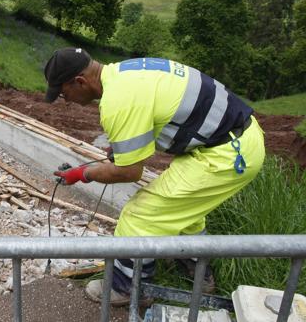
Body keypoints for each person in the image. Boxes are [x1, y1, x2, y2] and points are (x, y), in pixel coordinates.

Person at [43, 47, 265, 306]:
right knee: (182, 211)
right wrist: (125, 149)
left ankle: (127, 288)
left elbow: (129, 172)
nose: (65, 100)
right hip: (235, 137)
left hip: (227, 155)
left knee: (139, 215)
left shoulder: (118, 101)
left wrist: (81, 173)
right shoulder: (125, 72)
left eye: (63, 93)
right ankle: (198, 271)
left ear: (79, 81)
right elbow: (156, 115)